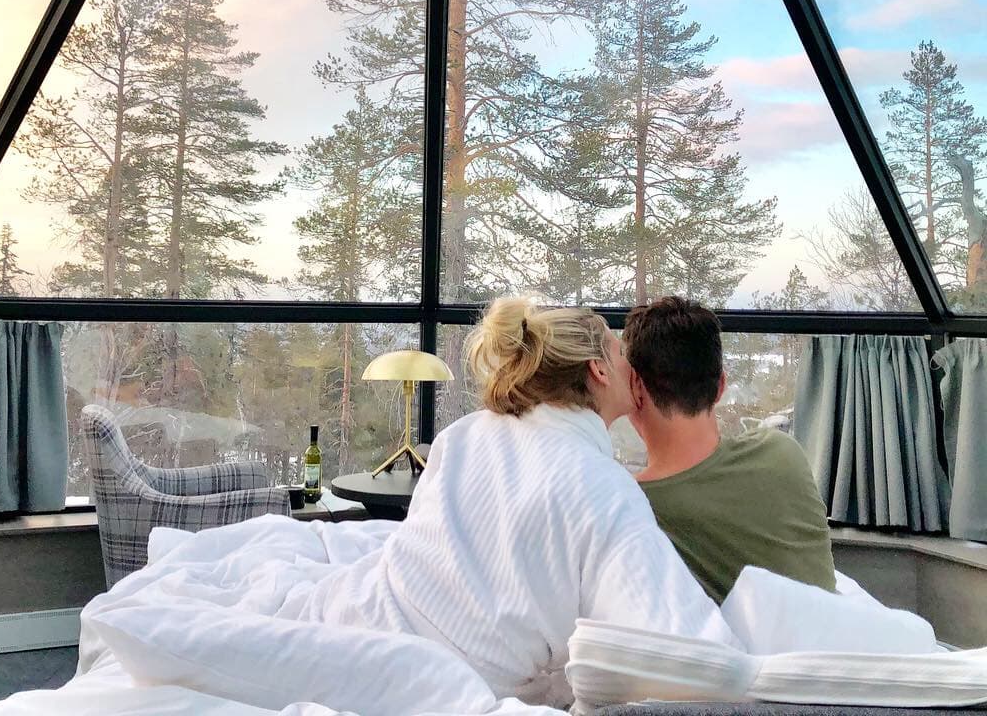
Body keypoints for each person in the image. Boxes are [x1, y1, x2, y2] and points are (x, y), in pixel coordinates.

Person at [294, 297, 736, 706]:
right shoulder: (604, 489)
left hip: (352, 619)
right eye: (621, 352)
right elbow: (690, 654)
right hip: (435, 680)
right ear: (599, 370)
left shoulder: (464, 433)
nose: (632, 368)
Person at [622, 295, 836, 603]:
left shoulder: (631, 503)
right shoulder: (782, 451)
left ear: (636, 389)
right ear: (721, 386)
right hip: (828, 630)